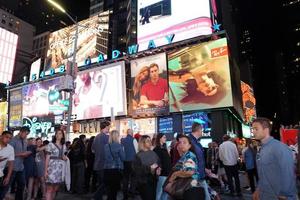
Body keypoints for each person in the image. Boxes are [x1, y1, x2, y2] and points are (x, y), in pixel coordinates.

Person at [252, 118, 297, 200]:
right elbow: (262, 174)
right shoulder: (261, 149)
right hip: (265, 195)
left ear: (266, 130)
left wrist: (284, 194)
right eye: (252, 129)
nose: (253, 131)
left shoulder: (280, 148)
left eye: (256, 129)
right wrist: (258, 189)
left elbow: (288, 173)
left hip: (279, 196)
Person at [168, 135, 205, 200]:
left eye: (184, 142)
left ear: (189, 146)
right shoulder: (184, 156)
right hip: (187, 189)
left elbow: (190, 172)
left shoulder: (189, 155)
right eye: (180, 142)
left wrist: (175, 174)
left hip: (191, 190)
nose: (181, 144)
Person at [133, 135, 160, 200]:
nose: (150, 143)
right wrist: (149, 168)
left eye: (150, 141)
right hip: (144, 183)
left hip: (154, 181)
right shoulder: (138, 155)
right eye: (148, 141)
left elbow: (158, 163)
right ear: (142, 143)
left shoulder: (153, 153)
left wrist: (158, 169)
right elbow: (137, 170)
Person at [188, 122, 210, 200]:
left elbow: (199, 159)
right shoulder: (190, 142)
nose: (202, 131)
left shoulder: (196, 142)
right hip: (194, 177)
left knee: (205, 196)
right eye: (202, 129)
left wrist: (204, 169)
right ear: (198, 130)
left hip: (200, 175)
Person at [9, 126, 32, 200]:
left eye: (27, 134)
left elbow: (23, 153)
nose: (26, 136)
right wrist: (21, 154)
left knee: (21, 185)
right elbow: (8, 154)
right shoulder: (12, 140)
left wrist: (26, 154)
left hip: (21, 166)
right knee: (7, 186)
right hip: (12, 166)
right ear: (21, 132)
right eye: (25, 134)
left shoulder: (25, 141)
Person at [45, 129, 68, 200]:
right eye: (57, 133)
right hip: (51, 168)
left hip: (60, 169)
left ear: (62, 136)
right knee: (49, 188)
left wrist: (65, 158)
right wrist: (45, 170)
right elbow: (47, 158)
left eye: (60, 133)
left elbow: (63, 156)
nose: (58, 135)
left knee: (55, 188)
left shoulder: (64, 146)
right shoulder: (50, 145)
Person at [103, 130, 125, 200]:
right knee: (114, 190)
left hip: (107, 169)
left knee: (109, 190)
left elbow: (105, 158)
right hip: (116, 170)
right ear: (117, 137)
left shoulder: (106, 146)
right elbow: (123, 158)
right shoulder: (119, 146)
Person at [92, 120, 110, 200]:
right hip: (104, 163)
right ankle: (96, 196)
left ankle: (98, 197)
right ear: (106, 127)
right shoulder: (107, 137)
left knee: (101, 183)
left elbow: (93, 150)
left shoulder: (96, 137)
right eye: (109, 127)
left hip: (97, 163)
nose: (109, 128)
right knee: (105, 183)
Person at [153, 133, 171, 200]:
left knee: (165, 192)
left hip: (167, 173)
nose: (165, 139)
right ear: (160, 138)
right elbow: (156, 161)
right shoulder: (157, 149)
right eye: (164, 137)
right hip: (162, 174)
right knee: (159, 192)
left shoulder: (164, 148)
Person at [121, 129, 138, 199]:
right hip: (133, 161)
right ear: (132, 133)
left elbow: (122, 151)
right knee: (133, 178)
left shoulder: (122, 140)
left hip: (125, 162)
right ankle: (132, 193)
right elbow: (137, 151)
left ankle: (125, 195)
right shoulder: (134, 140)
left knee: (125, 179)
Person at [0, 131, 14, 200]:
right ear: (1, 136)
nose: (8, 139)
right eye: (6, 137)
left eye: (10, 138)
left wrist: (8, 177)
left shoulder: (10, 148)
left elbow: (11, 163)